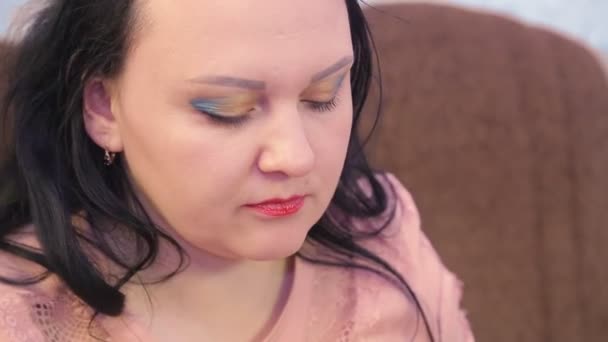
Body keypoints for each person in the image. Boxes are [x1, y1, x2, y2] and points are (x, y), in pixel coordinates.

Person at [0, 0, 474, 341]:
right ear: (103, 107)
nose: (296, 157)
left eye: (323, 95)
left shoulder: (387, 234)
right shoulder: (19, 316)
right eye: (228, 109)